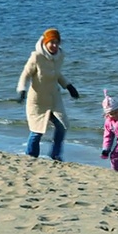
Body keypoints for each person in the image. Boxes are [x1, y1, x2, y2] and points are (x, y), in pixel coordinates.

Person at [16, 28, 80, 161]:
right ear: (45, 42)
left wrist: (68, 86)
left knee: (62, 126)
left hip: (54, 98)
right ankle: (31, 156)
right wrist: (22, 90)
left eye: (57, 42)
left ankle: (55, 154)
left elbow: (56, 74)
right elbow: (25, 74)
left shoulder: (60, 56)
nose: (54, 45)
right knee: (37, 131)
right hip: (37, 100)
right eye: (51, 42)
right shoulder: (36, 56)